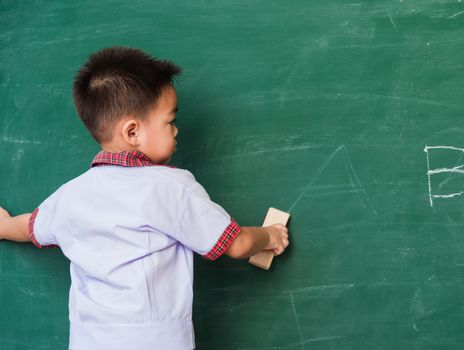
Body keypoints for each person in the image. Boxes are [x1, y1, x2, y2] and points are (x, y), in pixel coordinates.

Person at [0, 46, 290, 350]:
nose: (176, 130)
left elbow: (29, 227)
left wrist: (4, 225)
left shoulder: (70, 195)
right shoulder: (170, 187)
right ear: (133, 132)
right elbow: (237, 244)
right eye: (169, 121)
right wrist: (270, 235)